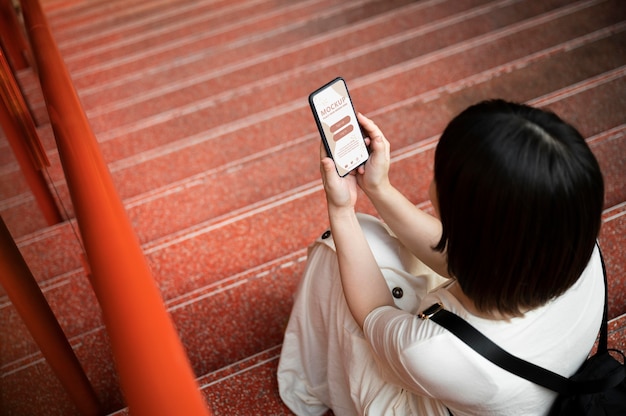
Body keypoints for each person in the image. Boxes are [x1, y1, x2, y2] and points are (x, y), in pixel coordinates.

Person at [277, 99, 606, 415]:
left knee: (338, 245)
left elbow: (372, 312)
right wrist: (378, 189)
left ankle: (305, 392)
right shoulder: (575, 243)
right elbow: (464, 255)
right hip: (530, 388)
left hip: (448, 385)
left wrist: (341, 209)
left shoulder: (435, 351)